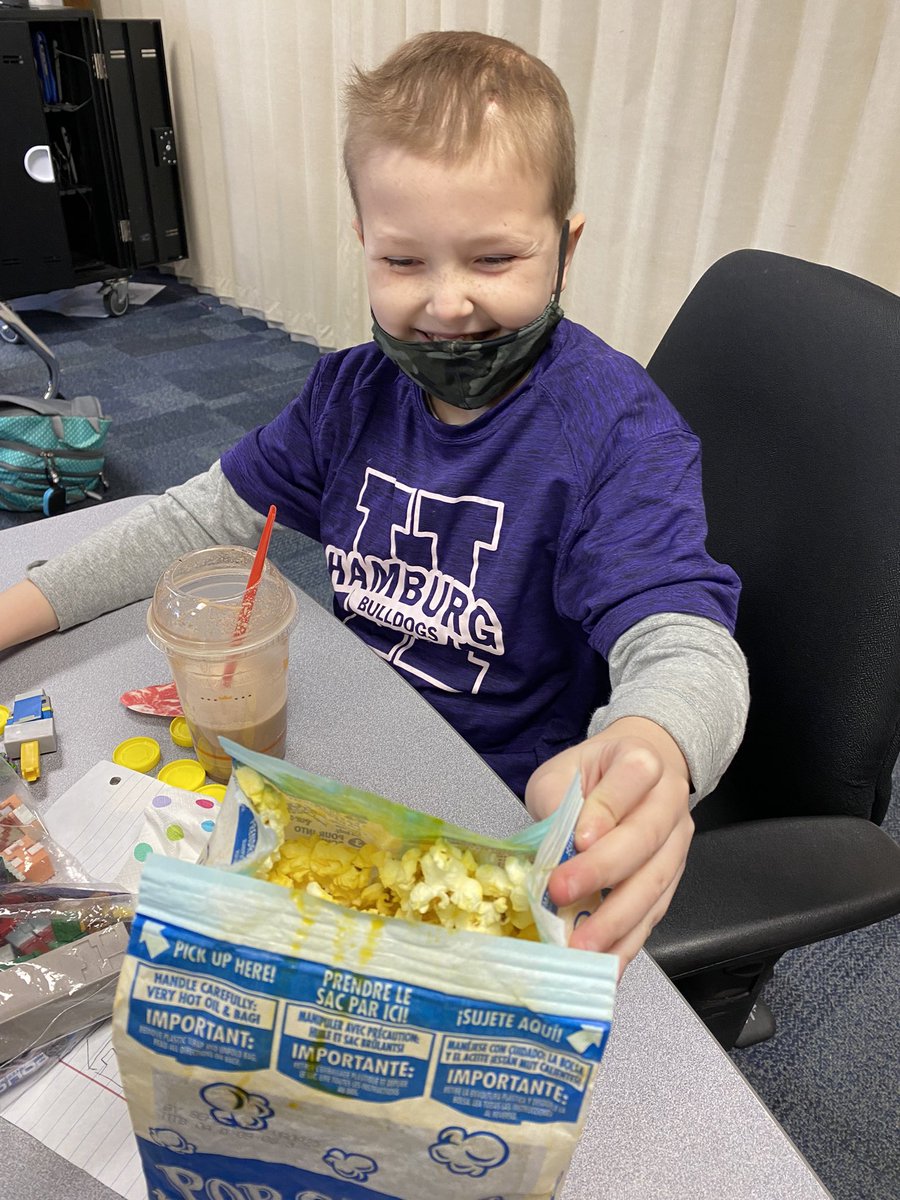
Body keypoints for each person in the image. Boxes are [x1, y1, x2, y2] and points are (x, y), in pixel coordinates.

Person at [0, 31, 748, 971]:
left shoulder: (618, 435)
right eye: (403, 263)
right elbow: (198, 522)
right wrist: (16, 609)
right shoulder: (347, 398)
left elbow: (685, 640)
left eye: (493, 260)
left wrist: (658, 746)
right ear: (363, 243)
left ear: (566, 245)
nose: (445, 303)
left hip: (499, 809)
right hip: (353, 751)